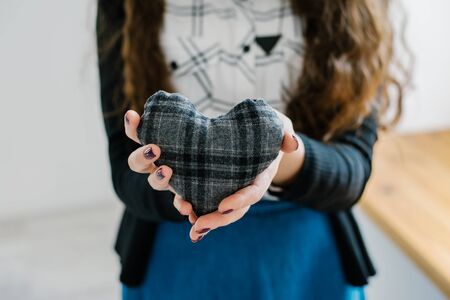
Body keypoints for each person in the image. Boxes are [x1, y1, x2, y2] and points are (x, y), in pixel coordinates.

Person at [96, 0, 407, 299]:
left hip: (306, 256)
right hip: (174, 251)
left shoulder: (353, 5)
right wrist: (173, 182)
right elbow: (125, 171)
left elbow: (352, 167)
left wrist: (279, 156)